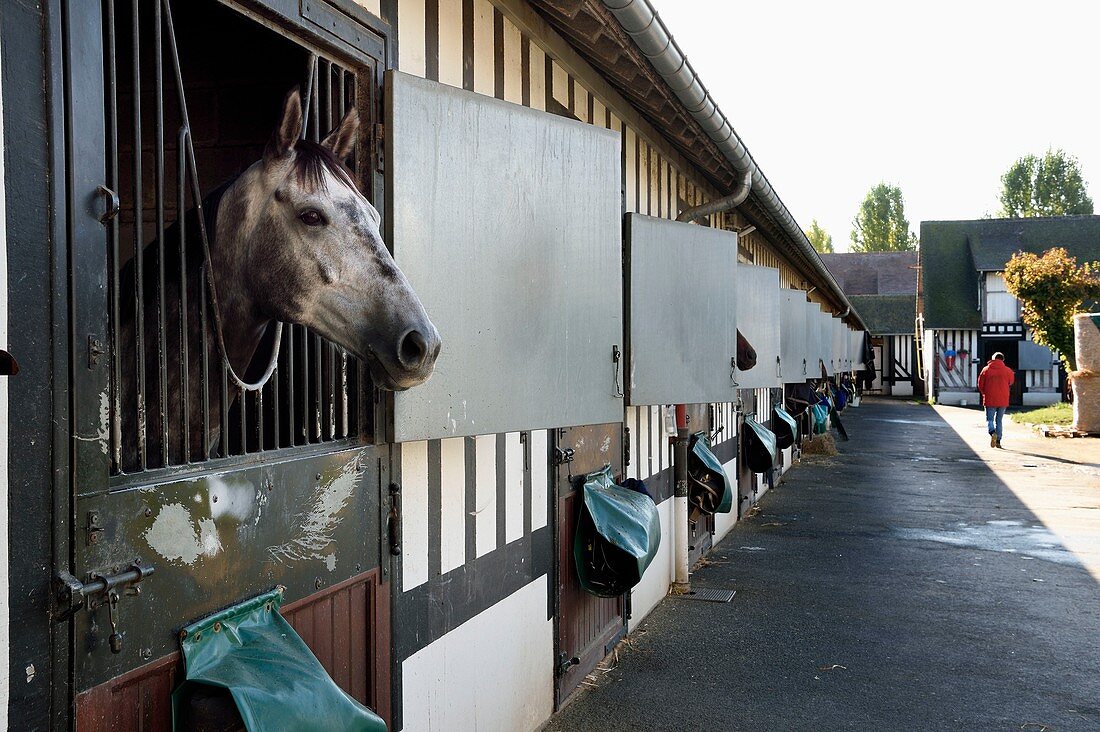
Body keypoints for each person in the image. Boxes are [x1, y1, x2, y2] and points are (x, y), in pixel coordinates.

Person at [977, 352, 1015, 448]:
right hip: (1003, 399)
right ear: (1003, 360)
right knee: (999, 420)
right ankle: (998, 440)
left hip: (990, 398)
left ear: (993, 359)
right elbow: (1011, 382)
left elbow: (980, 384)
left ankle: (992, 431)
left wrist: (984, 393)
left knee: (990, 419)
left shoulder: (986, 369)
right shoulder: (1008, 370)